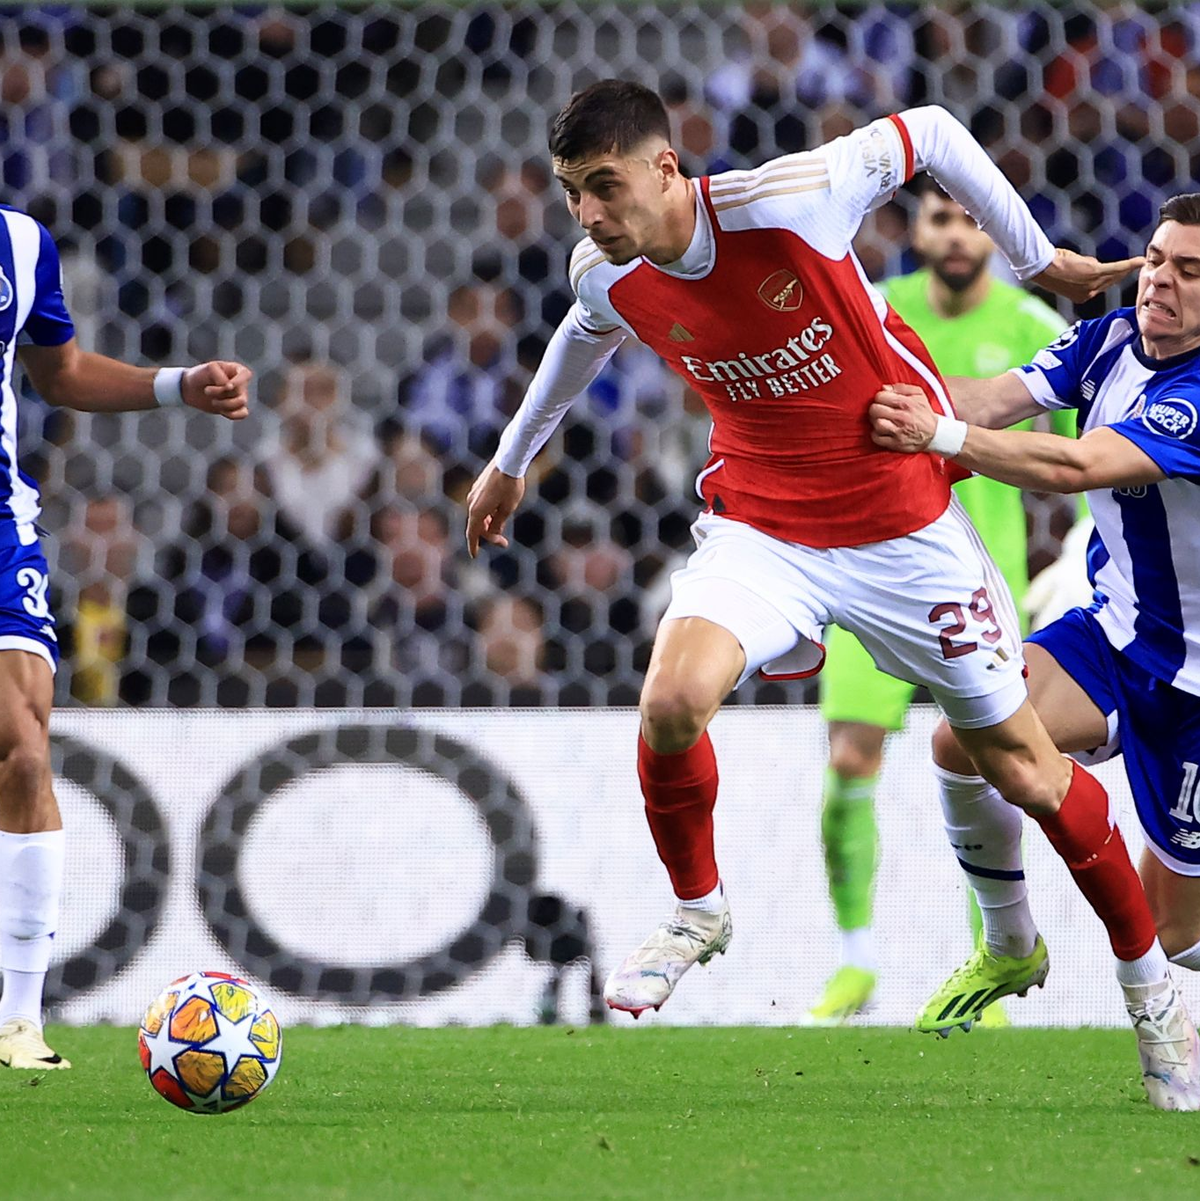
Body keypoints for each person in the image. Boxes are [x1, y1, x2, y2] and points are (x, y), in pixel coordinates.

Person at [462, 81, 1182, 1108]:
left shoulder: (785, 200)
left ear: (666, 169)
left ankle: (1152, 998)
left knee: (1025, 771)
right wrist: (509, 461)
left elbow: (931, 131)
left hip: (906, 531)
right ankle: (698, 910)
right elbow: (582, 332)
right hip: (763, 527)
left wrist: (1039, 259)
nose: (587, 213)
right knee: (671, 702)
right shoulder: (606, 271)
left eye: (604, 187)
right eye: (573, 192)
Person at [868, 191, 1200, 1111]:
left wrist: (936, 436)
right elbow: (991, 400)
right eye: (1158, 260)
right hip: (1112, 633)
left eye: (1190, 271)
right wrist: (874, 389)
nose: (1163, 282)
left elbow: (1074, 465)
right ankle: (1010, 943)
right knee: (960, 740)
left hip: (1196, 684)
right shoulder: (1110, 339)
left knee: (1170, 931)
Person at [807, 183, 1073, 1026]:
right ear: (914, 230)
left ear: (993, 236)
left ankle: (991, 967)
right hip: (871, 569)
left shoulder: (1034, 326)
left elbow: (1075, 460)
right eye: (939, 218)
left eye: (971, 221)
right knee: (850, 757)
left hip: (979, 586)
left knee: (990, 765)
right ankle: (854, 963)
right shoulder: (874, 310)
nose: (956, 236)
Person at [0, 204, 251, 1070]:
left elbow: (59, 371)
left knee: (24, 753)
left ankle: (18, 1021)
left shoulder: (19, 243)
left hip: (3, 532)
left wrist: (181, 383)